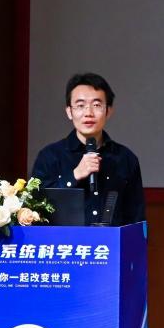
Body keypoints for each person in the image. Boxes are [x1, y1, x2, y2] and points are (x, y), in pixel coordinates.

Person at [31, 72, 146, 226]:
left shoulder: (125, 158)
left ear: (108, 111)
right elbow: (36, 207)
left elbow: (136, 217)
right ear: (69, 112)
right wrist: (74, 176)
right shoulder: (49, 156)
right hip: (65, 241)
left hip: (110, 241)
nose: (88, 113)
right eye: (80, 105)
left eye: (97, 105)